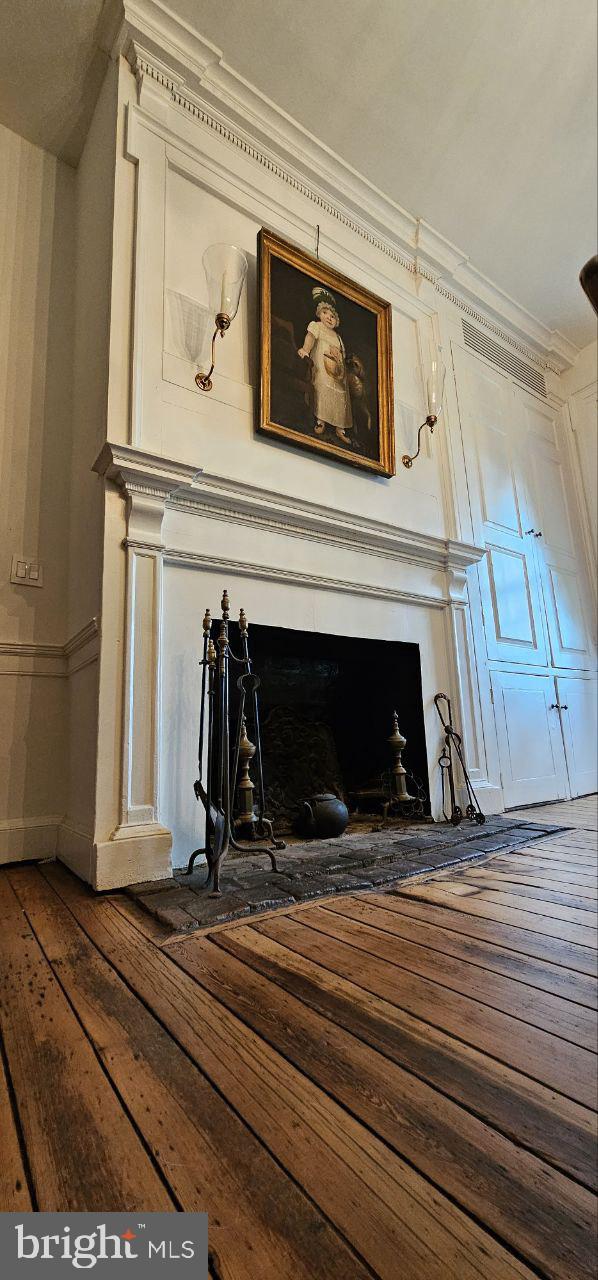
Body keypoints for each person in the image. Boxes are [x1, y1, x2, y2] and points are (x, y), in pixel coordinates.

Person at [298, 286, 353, 443]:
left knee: (341, 396)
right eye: (325, 313)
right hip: (322, 367)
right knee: (321, 387)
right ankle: (320, 421)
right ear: (319, 314)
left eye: (332, 316)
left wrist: (339, 358)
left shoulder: (338, 337)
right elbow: (310, 338)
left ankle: (340, 428)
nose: (329, 318)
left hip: (337, 372)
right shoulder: (316, 326)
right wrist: (305, 349)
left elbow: (342, 353)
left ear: (336, 321)